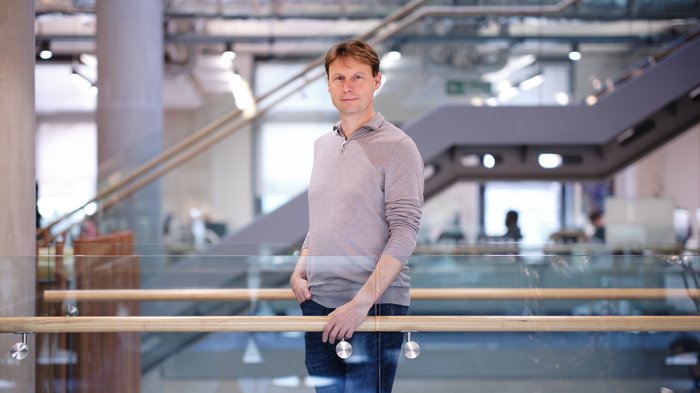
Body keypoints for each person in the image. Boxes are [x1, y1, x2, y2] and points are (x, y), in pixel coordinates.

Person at [290, 39, 424, 393]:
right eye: (338, 78)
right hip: (318, 302)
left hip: (373, 306)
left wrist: (360, 304)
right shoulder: (324, 145)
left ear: (376, 81)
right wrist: (301, 267)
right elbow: (323, 217)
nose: (347, 87)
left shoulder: (398, 146)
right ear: (328, 84)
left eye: (357, 77)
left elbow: (406, 232)